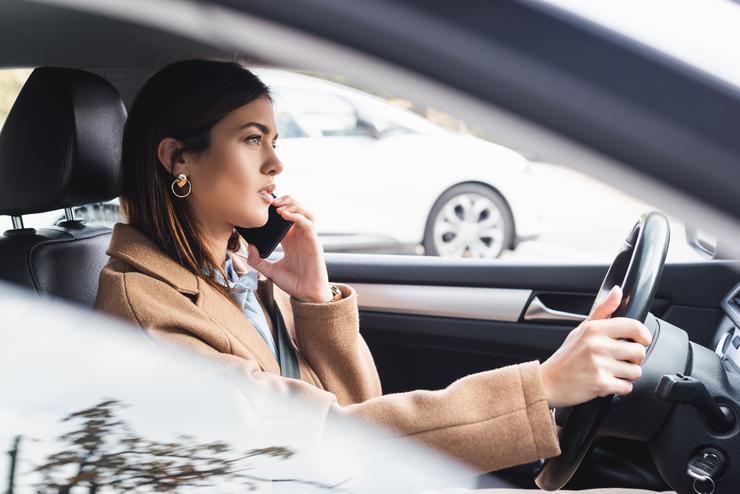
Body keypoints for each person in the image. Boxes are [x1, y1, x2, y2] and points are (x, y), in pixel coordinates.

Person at [95, 59, 652, 477]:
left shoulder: (239, 275)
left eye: (274, 140)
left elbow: (357, 412)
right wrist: (544, 387)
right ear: (177, 158)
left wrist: (314, 300)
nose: (276, 162)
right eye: (251, 139)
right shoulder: (147, 309)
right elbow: (332, 440)